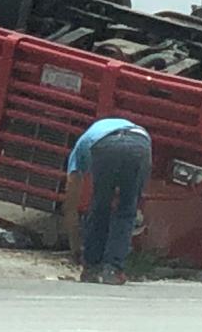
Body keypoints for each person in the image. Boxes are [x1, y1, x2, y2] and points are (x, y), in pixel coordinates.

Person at [63, 118, 152, 286]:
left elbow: (70, 205)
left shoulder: (78, 151)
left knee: (100, 207)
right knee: (126, 209)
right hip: (141, 142)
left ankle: (91, 267)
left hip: (106, 145)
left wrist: (75, 247)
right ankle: (113, 269)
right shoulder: (97, 133)